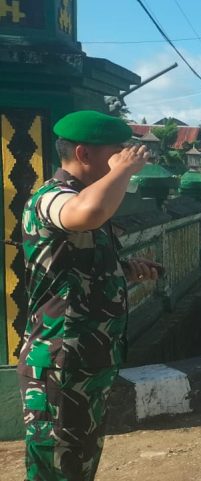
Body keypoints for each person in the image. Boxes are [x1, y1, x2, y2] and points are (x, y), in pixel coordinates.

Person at [19, 110, 161, 480]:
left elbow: (74, 268)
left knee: (78, 463)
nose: (125, 158)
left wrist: (125, 269)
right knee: (56, 468)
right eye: (117, 151)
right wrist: (123, 170)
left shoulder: (86, 196)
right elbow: (86, 214)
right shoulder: (51, 198)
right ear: (83, 154)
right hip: (58, 361)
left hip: (87, 360)